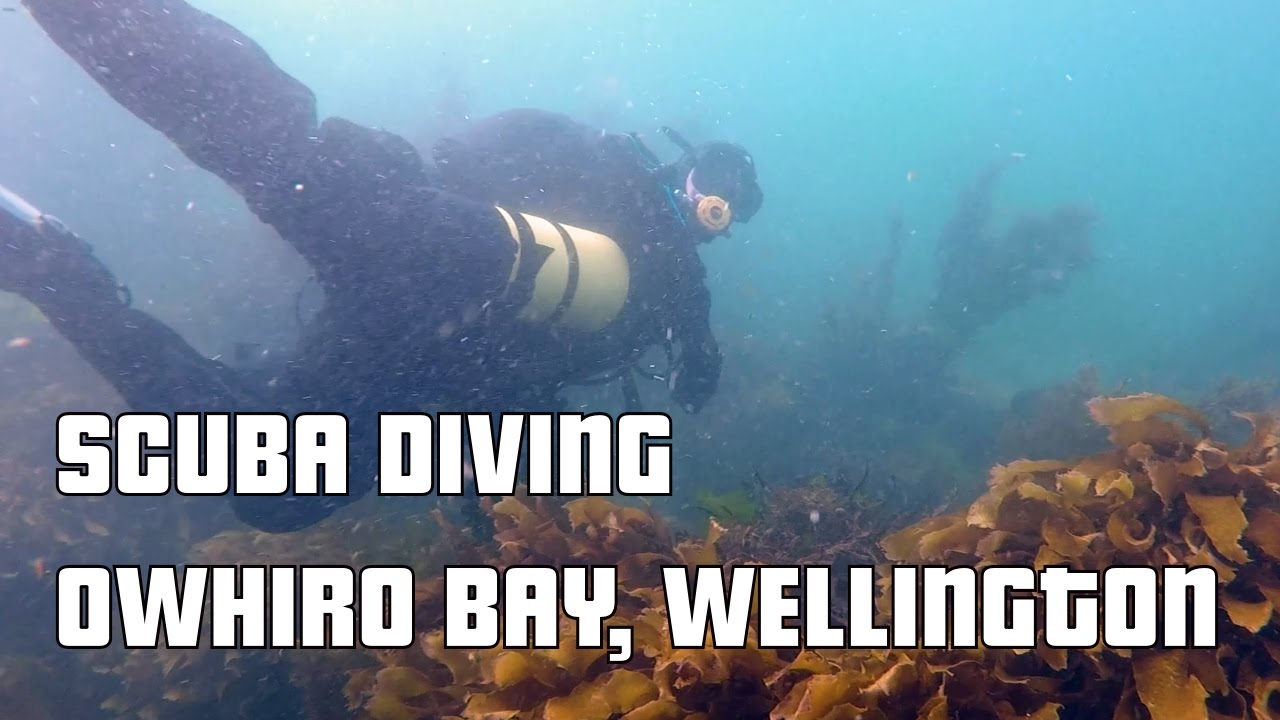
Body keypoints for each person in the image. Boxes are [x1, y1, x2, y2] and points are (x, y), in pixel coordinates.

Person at [1, 0, 764, 532]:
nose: (703, 209)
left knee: (275, 492)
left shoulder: (673, 280)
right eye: (704, 188)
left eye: (719, 211)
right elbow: (465, 160)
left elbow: (671, 370)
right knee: (273, 152)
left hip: (407, 359)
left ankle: (54, 269)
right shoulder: (606, 172)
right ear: (680, 168)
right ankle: (99, 12)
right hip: (419, 254)